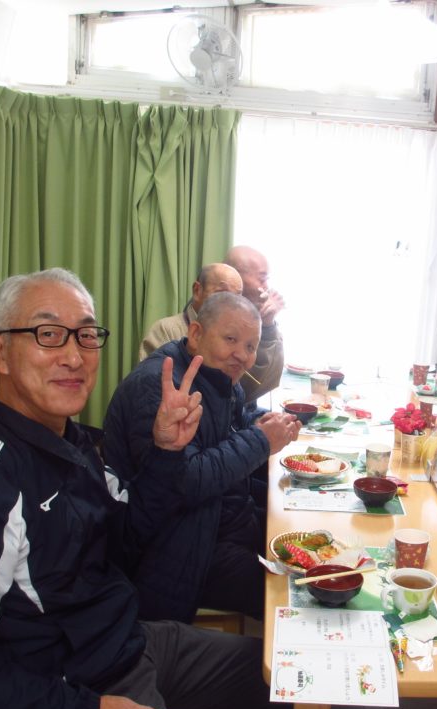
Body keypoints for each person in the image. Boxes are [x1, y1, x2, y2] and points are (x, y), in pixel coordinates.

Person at [0, 268, 268, 709]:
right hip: (57, 705)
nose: (74, 356)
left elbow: (126, 538)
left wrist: (166, 453)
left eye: (87, 335)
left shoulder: (71, 444)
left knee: (270, 675)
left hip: (123, 646)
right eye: (48, 334)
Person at [105, 292, 300, 624]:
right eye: (231, 340)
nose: (242, 355)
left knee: (306, 541)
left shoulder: (221, 378)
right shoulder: (159, 386)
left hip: (222, 520)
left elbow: (229, 432)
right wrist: (260, 441)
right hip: (177, 550)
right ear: (195, 334)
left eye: (251, 346)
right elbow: (182, 481)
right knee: (295, 592)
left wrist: (263, 425)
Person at [139, 262, 243, 360]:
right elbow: (150, 372)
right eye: (221, 294)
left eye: (237, 298)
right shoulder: (166, 330)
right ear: (197, 290)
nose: (230, 304)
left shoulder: (236, 338)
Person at [224, 245, 284, 404]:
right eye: (262, 279)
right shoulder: (213, 323)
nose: (266, 287)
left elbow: (270, 381)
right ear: (236, 277)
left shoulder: (248, 319)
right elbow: (247, 389)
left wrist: (268, 324)